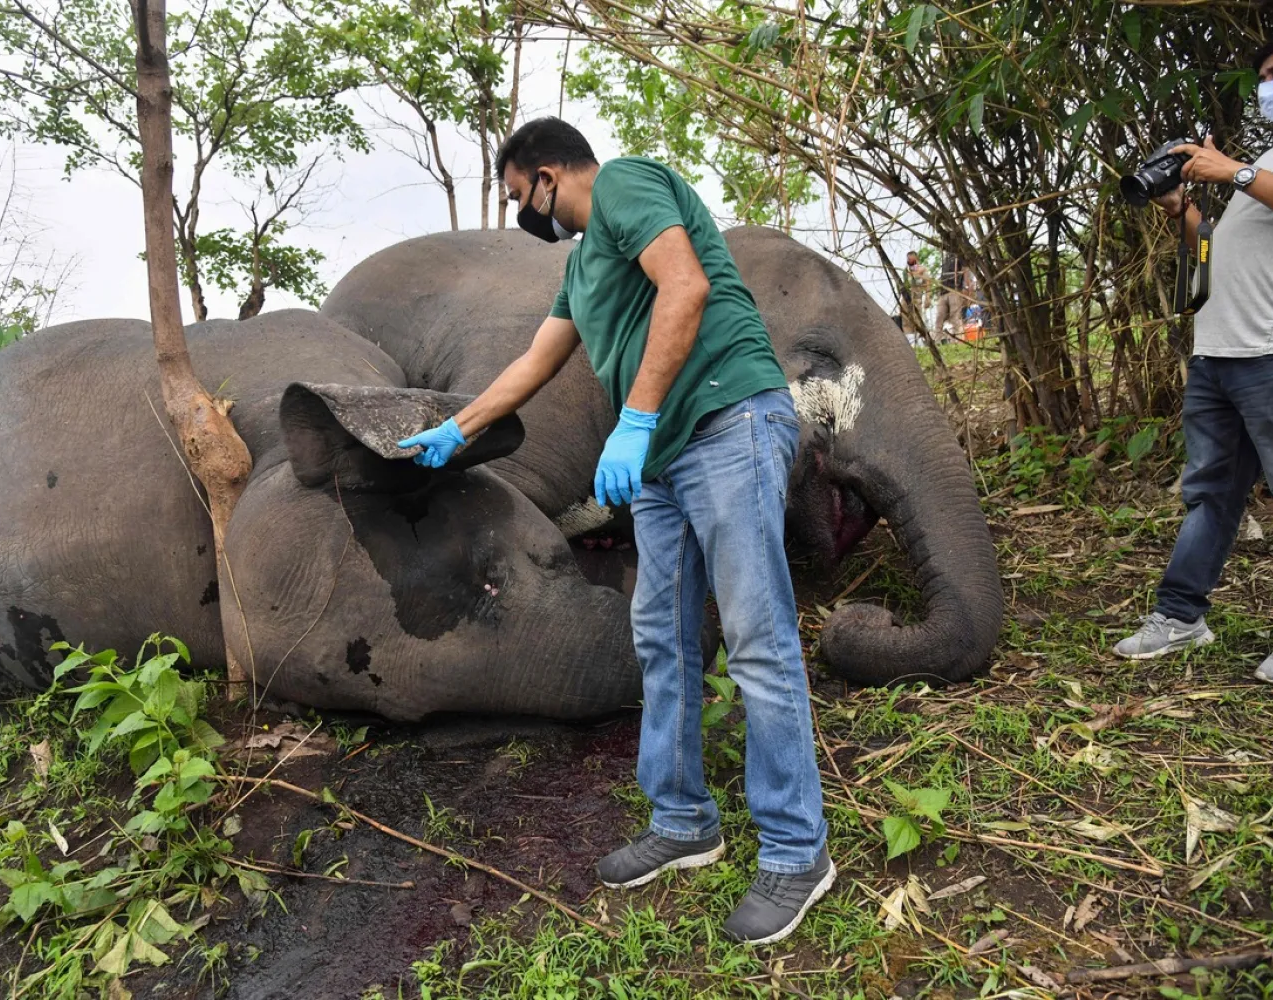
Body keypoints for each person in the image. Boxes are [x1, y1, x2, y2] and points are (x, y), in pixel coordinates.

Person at [396, 117, 832, 943]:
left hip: (728, 419)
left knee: (756, 640)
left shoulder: (627, 182)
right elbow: (536, 360)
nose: (525, 212)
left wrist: (631, 421)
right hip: (665, 457)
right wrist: (460, 427)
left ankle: (795, 851)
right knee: (661, 638)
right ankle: (682, 820)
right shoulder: (583, 264)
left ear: (550, 173)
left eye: (521, 196)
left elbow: (687, 287)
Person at [1114, 35, 1273, 685]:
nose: (1270, 82)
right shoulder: (1268, 157)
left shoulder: (1256, 169)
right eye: (1265, 75)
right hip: (1217, 352)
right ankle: (1180, 617)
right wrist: (1181, 207)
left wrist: (1231, 171)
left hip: (1272, 353)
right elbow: (1215, 252)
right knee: (1210, 495)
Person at [932, 251, 965, 342]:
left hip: (954, 290)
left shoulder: (959, 256)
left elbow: (965, 271)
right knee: (939, 317)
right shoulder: (945, 258)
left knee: (955, 318)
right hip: (943, 292)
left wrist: (965, 289)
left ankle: (958, 340)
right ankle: (937, 341)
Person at [902, 251, 932, 344]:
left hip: (917, 298)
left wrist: (928, 297)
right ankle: (910, 342)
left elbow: (928, 284)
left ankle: (919, 342)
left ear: (916, 258)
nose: (909, 260)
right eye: (908, 258)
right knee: (906, 320)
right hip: (906, 298)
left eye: (911, 258)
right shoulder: (905, 271)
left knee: (918, 320)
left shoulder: (923, 270)